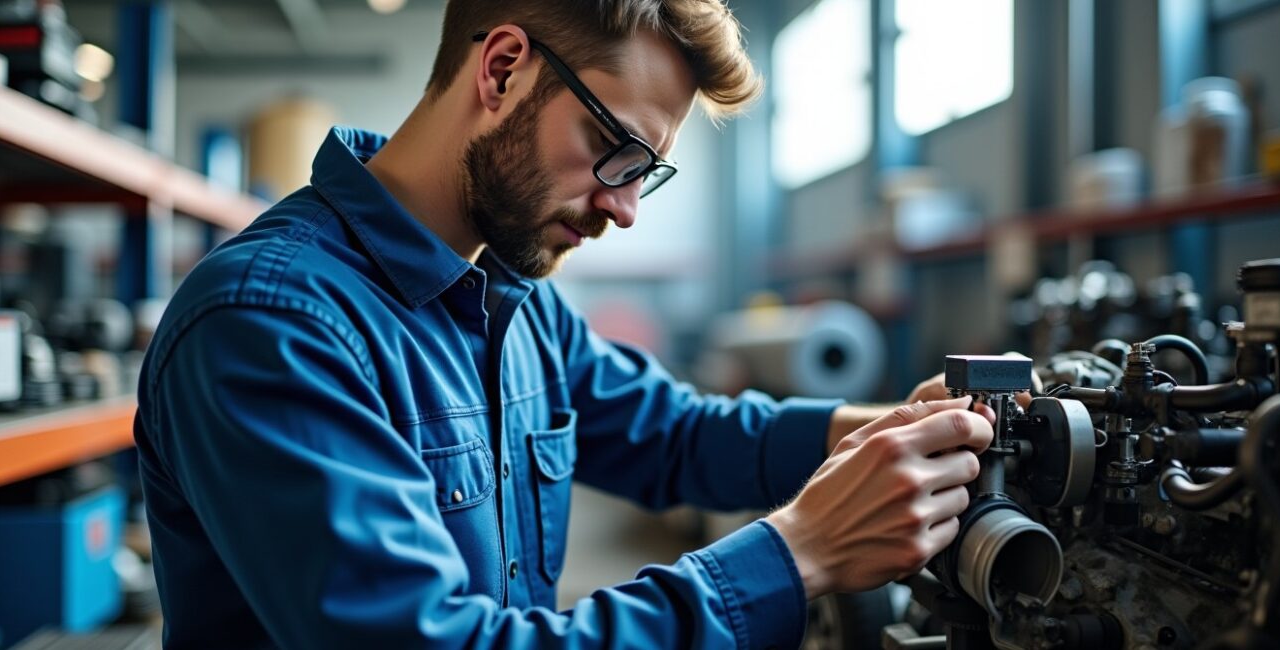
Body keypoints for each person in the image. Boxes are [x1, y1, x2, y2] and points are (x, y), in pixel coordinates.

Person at [134, 1, 994, 647]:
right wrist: (795, 552)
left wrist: (881, 433)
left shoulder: (513, 298)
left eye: (645, 173)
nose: (623, 209)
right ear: (503, 68)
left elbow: (671, 436)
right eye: (615, 150)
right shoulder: (271, 324)